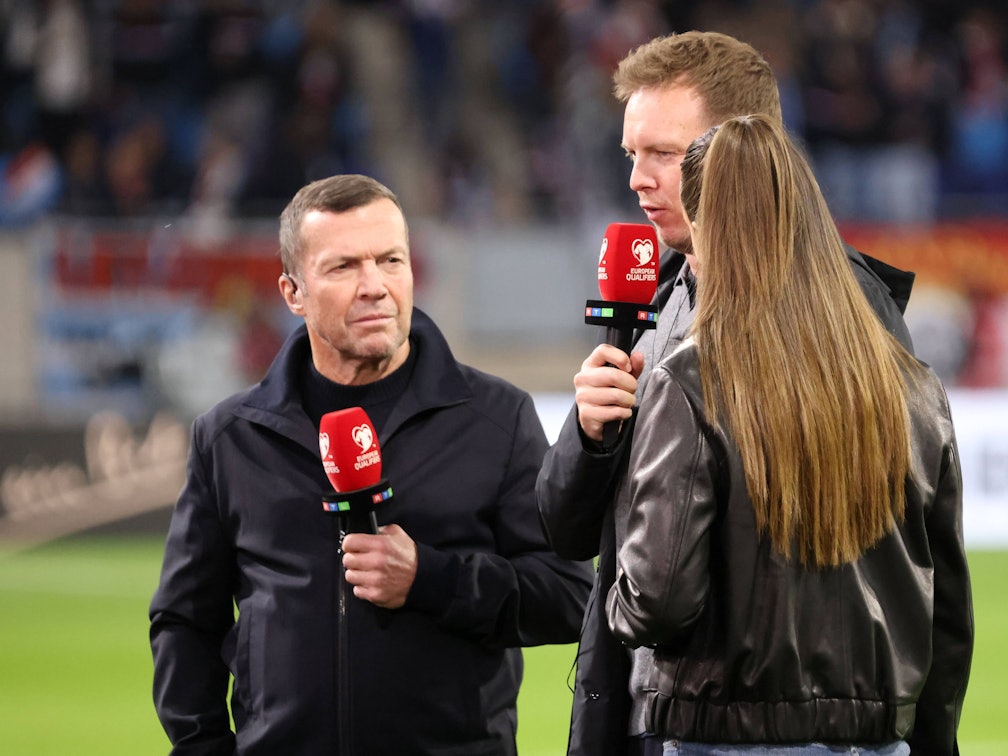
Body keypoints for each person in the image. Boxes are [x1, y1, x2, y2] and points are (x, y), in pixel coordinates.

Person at [536, 32, 916, 756]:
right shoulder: (655, 302)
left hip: (767, 724)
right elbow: (567, 533)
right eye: (631, 153)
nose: (637, 179)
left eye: (663, 154)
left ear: (740, 150)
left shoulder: (850, 315)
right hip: (672, 715)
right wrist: (588, 437)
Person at [149, 173, 594, 755]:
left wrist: (432, 578)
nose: (374, 287)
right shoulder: (230, 437)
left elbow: (568, 596)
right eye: (343, 267)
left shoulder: (496, 418)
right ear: (293, 292)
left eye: (390, 260)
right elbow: (184, 621)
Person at [607, 113, 973, 755]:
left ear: (707, 225)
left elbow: (658, 600)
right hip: (877, 740)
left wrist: (615, 598)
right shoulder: (914, 387)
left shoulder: (690, 381)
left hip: (726, 735)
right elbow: (946, 611)